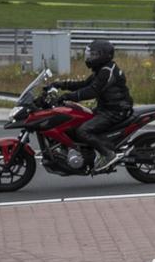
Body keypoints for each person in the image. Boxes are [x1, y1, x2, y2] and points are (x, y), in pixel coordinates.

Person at [52, 39, 133, 168]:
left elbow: (92, 91)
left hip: (115, 111)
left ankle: (107, 154)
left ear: (103, 55)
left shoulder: (107, 72)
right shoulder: (102, 69)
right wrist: (61, 84)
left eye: (94, 55)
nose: (90, 58)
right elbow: (84, 84)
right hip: (105, 108)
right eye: (90, 54)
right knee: (75, 121)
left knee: (83, 131)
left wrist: (68, 96)